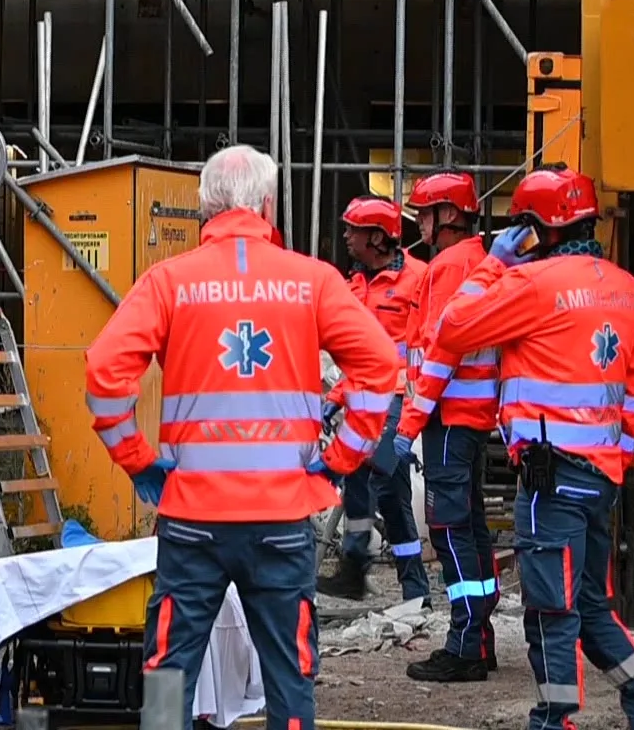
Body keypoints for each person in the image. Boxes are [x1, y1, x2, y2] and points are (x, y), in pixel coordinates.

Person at [84, 145, 400, 730]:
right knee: (290, 669)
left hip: (191, 518)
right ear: (268, 204)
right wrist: (340, 461)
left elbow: (105, 373)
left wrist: (138, 461)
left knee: (167, 669)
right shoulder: (313, 282)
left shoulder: (169, 282)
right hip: (282, 518)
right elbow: (380, 368)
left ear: (204, 205)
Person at [426, 167, 634, 730]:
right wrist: (615, 457)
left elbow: (452, 326)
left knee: (550, 614)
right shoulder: (626, 288)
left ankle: (554, 718)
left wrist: (495, 261)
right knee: (591, 608)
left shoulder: (532, 286)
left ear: (535, 229)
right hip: (599, 480)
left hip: (550, 482)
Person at [393, 171, 501, 681]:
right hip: (468, 417)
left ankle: (466, 646)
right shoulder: (479, 263)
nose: (420, 222)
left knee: (451, 529)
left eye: (426, 213)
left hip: (447, 416)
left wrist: (408, 423)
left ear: (448, 216)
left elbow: (440, 352)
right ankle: (479, 637)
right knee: (471, 527)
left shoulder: (451, 267)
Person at [318, 195, 430, 605]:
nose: (346, 236)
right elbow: (352, 355)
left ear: (379, 238)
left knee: (382, 480)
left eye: (353, 229)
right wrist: (335, 397)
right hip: (363, 402)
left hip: (399, 401)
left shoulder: (419, 279)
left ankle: (411, 585)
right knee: (362, 482)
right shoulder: (355, 285)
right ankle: (357, 567)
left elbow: (429, 346)